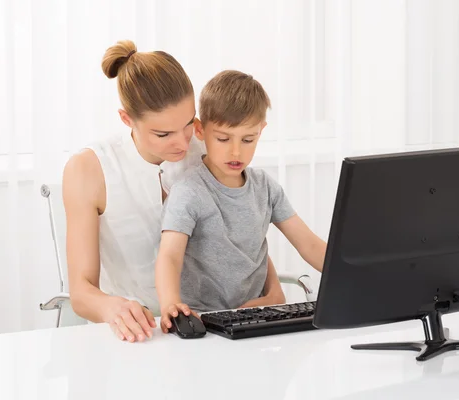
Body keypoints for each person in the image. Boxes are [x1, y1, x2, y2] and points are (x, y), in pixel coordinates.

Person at [62, 40, 281, 343]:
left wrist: (273, 291)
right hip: (137, 333)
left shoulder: (207, 146)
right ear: (127, 119)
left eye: (188, 124)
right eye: (163, 134)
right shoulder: (88, 169)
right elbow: (81, 292)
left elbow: (244, 226)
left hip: (210, 327)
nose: (182, 143)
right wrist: (112, 307)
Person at [155, 70, 327, 333]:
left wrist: (359, 278)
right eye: (223, 139)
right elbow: (169, 255)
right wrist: (170, 303)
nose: (236, 152)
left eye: (248, 139)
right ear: (200, 130)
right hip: (204, 323)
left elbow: (310, 245)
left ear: (261, 130)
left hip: (256, 318)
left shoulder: (265, 187)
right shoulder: (189, 192)